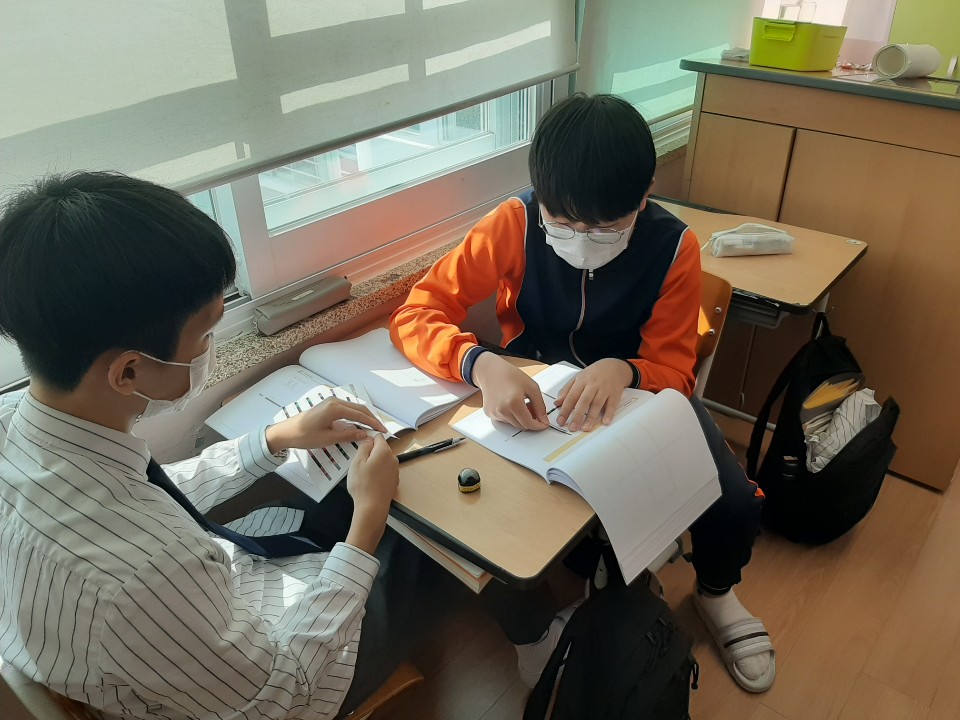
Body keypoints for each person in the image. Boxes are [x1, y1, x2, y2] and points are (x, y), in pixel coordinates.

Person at [0, 172, 442, 720]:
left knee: (332, 498)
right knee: (426, 547)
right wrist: (367, 525)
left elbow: (152, 496)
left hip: (200, 623)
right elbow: (285, 698)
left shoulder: (20, 426)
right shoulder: (144, 574)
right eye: (206, 334)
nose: (209, 347)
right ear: (129, 371)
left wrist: (273, 439)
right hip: (286, 681)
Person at [390, 93, 776, 693]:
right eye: (564, 223)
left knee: (730, 501)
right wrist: (480, 363)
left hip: (641, 392)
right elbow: (418, 312)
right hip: (536, 392)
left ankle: (716, 591)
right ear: (540, 196)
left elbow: (676, 370)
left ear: (644, 196)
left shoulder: (674, 246)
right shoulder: (514, 222)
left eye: (605, 227)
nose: (581, 238)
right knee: (494, 514)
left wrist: (624, 369)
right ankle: (555, 620)